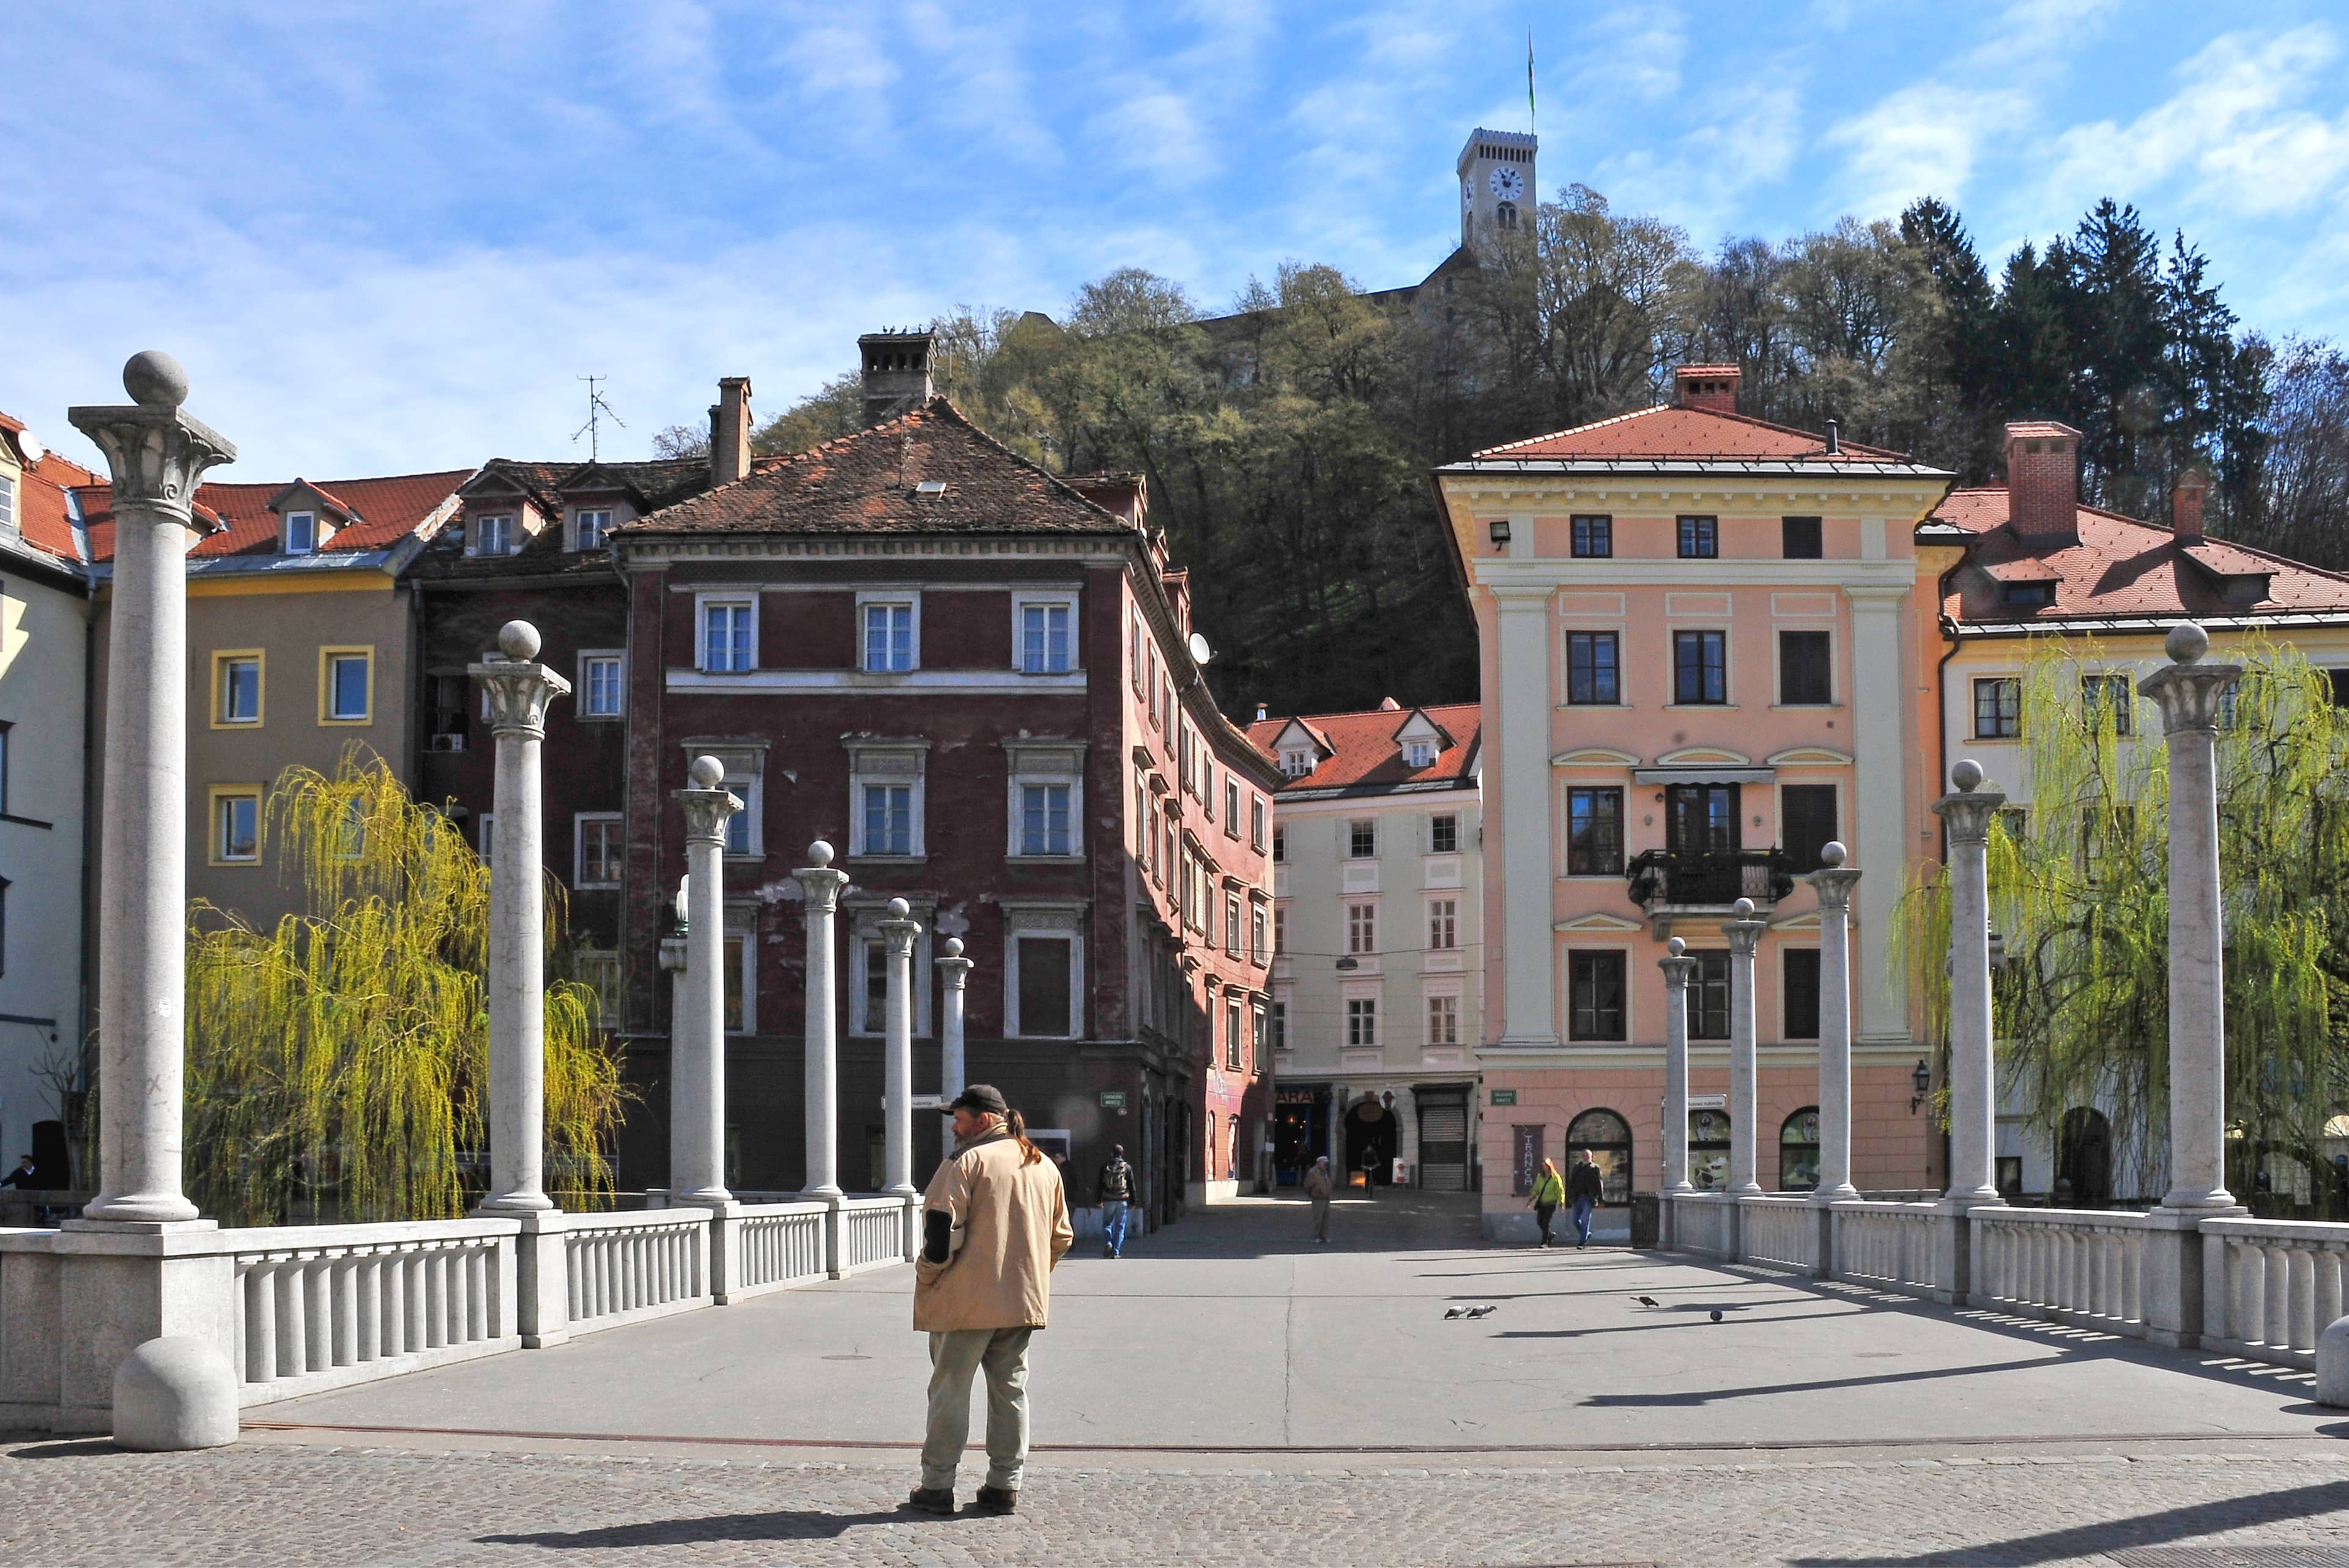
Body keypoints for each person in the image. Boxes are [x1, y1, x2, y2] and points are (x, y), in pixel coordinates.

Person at [909, 1084, 1072, 1518]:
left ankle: (938, 1485)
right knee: (1011, 1392)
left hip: (964, 1302)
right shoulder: (1042, 1166)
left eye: (959, 1120)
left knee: (950, 1392)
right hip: (1020, 1303)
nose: (955, 1130)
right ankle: (1004, 1486)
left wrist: (927, 1276)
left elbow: (941, 1235)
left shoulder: (966, 1162)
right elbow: (1061, 1238)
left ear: (982, 1120)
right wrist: (1032, 1277)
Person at [1097, 1144, 1135, 1259]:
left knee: (1107, 1224)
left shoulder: (1105, 1167)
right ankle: (1116, 1251)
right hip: (1122, 1200)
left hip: (1108, 1199)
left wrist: (1099, 1200)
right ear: (1122, 1154)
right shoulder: (1127, 1168)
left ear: (1111, 1153)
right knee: (1120, 1226)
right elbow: (1132, 1185)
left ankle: (1108, 1242)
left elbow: (1100, 1185)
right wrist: (1133, 1202)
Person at [1566, 1149, 1605, 1249]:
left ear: (1592, 1157)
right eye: (1583, 1155)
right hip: (1577, 1197)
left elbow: (1599, 1184)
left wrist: (1601, 1199)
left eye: (1587, 1155)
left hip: (1588, 1198)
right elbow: (1572, 1183)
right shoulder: (1577, 1167)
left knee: (1585, 1220)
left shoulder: (1595, 1168)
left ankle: (1582, 1243)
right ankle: (1586, 1234)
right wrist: (1569, 1196)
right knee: (1575, 1220)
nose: (1585, 1157)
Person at [1528, 1157, 1565, 1247]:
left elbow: (1560, 1190)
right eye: (1543, 1166)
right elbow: (1536, 1190)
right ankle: (1550, 1234)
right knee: (1539, 1221)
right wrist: (1530, 1200)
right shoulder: (1540, 1177)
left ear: (1550, 1166)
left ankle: (1545, 1242)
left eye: (1546, 1166)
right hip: (1542, 1203)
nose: (1545, 1168)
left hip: (1551, 1202)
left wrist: (1561, 1202)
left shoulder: (1556, 1177)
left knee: (1546, 1222)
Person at [1304, 1155, 1334, 1244]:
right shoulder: (1313, 1173)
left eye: (1327, 1164)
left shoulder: (1324, 1172)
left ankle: (1324, 1236)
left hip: (1326, 1198)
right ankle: (1316, 1236)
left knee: (1326, 1219)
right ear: (1319, 1163)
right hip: (1317, 1198)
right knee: (1318, 1219)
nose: (1326, 1165)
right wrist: (1313, 1194)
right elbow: (1308, 1185)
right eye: (1325, 1164)